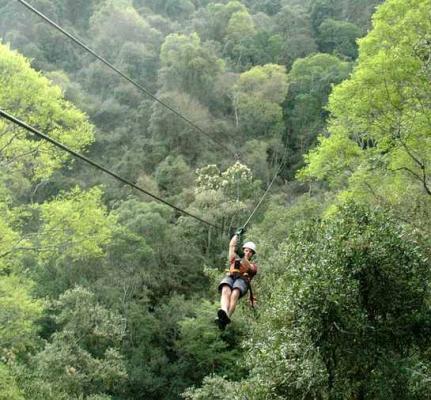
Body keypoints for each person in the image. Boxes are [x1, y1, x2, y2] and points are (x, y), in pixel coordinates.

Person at [216, 231, 258, 330]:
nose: (247, 252)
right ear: (243, 250)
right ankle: (224, 311)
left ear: (252, 254)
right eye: (246, 250)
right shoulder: (234, 260)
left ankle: (227, 317)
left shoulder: (254, 266)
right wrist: (236, 235)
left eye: (250, 251)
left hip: (242, 281)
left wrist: (242, 256)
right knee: (225, 289)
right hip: (231, 276)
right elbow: (231, 246)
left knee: (234, 293)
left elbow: (248, 266)